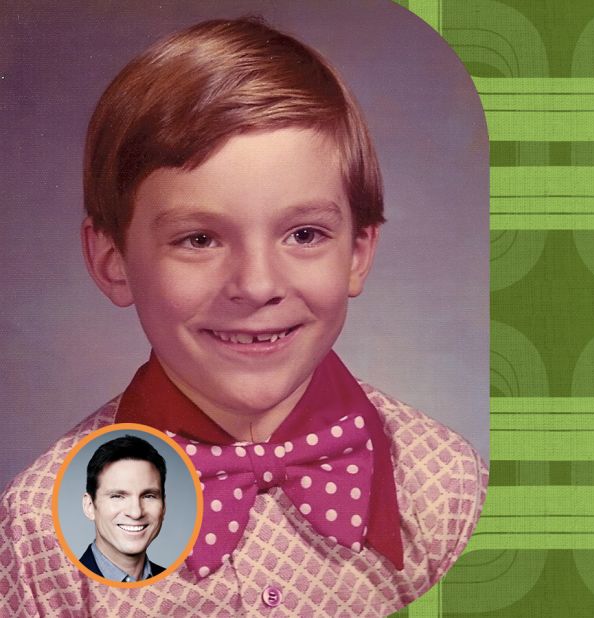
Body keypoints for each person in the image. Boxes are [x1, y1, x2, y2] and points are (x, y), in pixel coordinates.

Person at [0, 18, 486, 615]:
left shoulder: (447, 486)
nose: (257, 285)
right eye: (199, 239)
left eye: (304, 234)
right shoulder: (40, 525)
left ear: (357, 254)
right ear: (113, 262)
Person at [80, 436, 167, 582]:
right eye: (118, 496)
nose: (136, 512)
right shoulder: (60, 589)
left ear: (164, 506)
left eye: (149, 496)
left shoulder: (181, 587)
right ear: (89, 506)